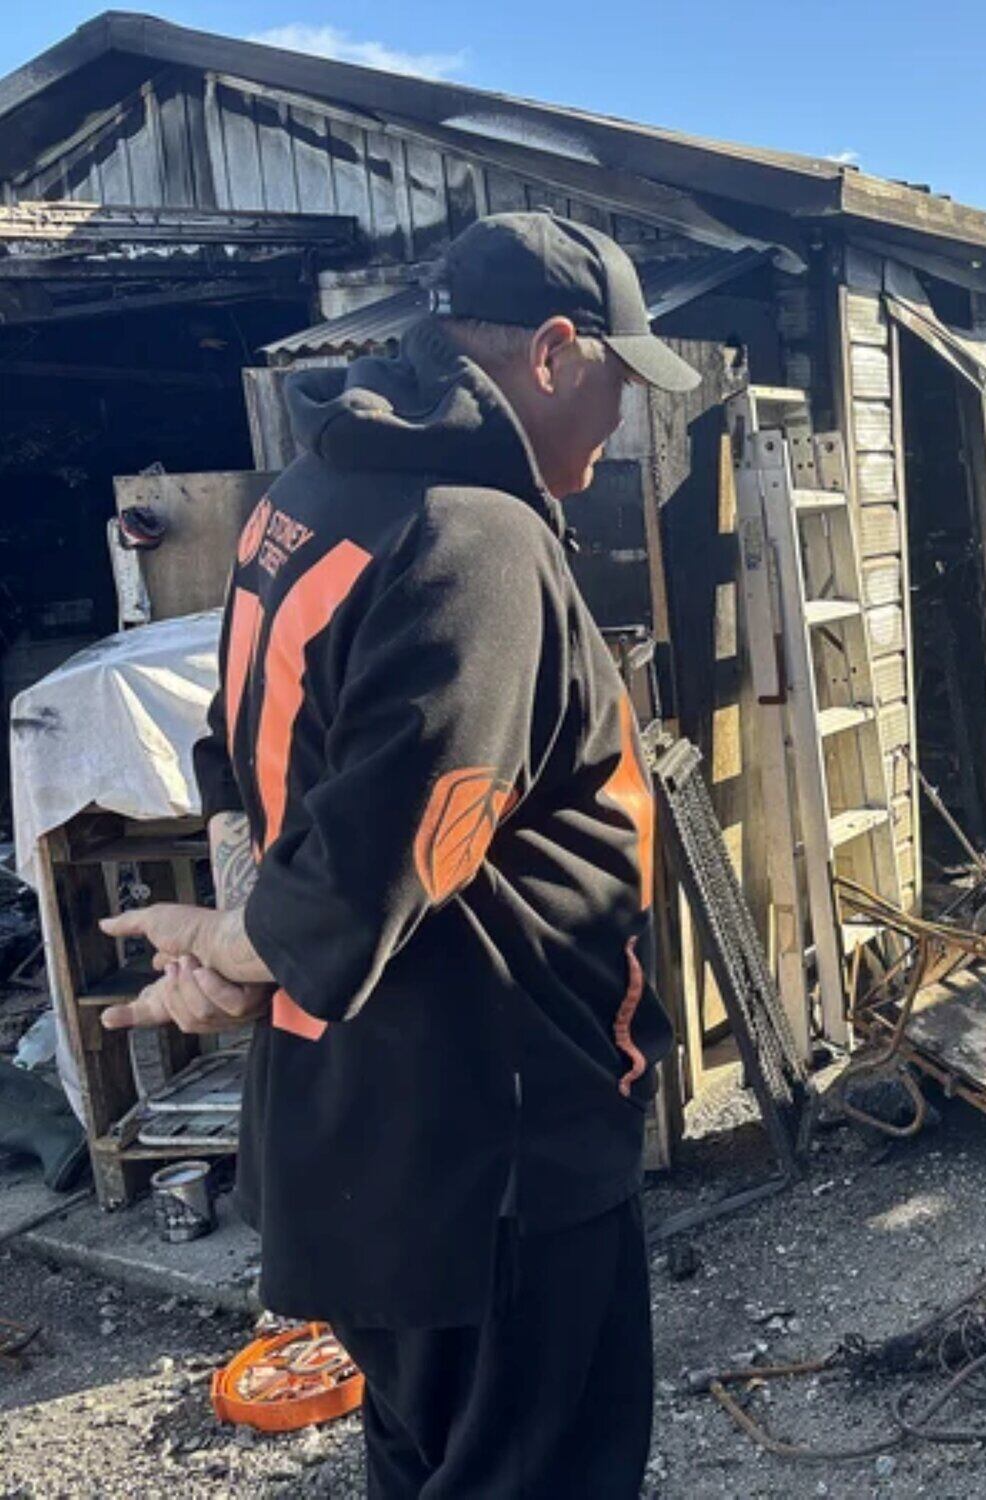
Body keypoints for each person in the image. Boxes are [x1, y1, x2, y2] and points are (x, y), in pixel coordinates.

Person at [99, 212, 698, 1496]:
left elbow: (240, 755)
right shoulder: (475, 537)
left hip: (357, 1130)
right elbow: (376, 858)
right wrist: (238, 943)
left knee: (429, 1460)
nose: (622, 420)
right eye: (619, 378)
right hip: (488, 1140)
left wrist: (241, 954)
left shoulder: (304, 499)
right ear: (553, 352)